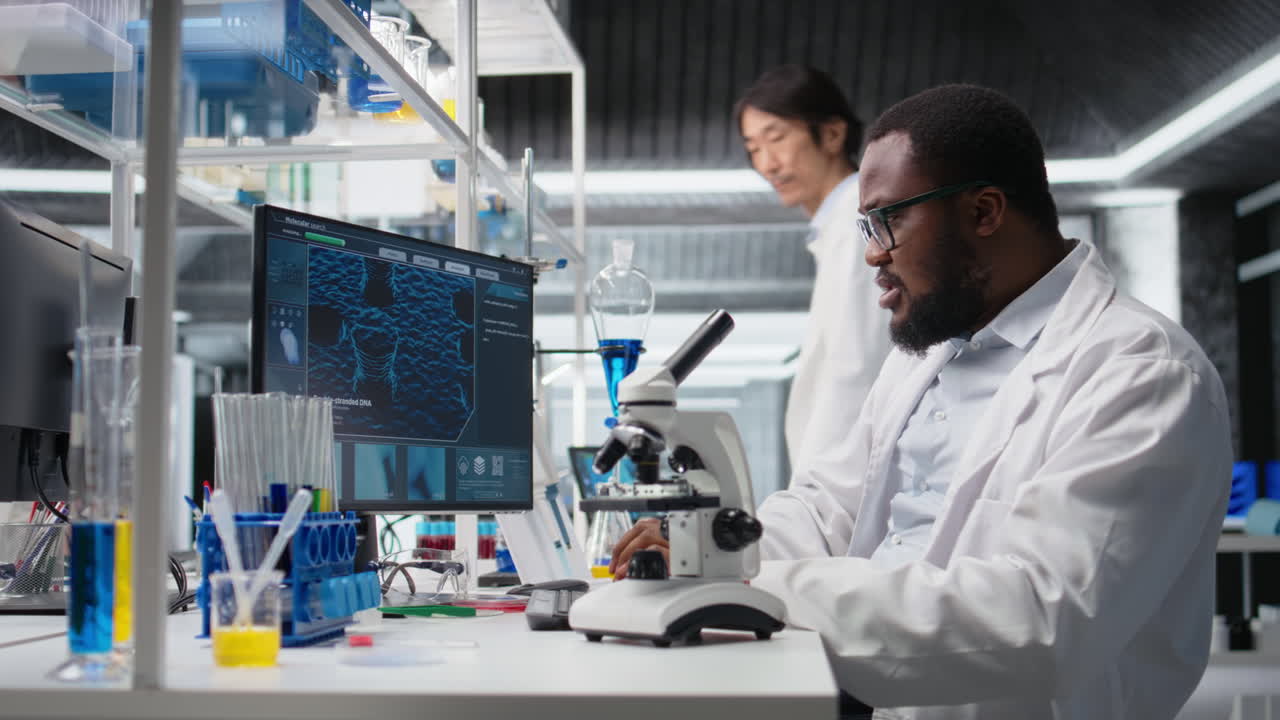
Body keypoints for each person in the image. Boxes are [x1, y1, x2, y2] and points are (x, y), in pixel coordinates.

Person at [611, 84, 1231, 720]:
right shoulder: (927, 353)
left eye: (889, 220)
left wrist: (747, 588)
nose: (873, 254)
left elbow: (1043, 617)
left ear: (984, 211)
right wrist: (704, 556)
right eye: (864, 227)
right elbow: (828, 510)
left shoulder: (1142, 372)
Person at [736, 65, 892, 482]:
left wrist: (813, 496)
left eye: (777, 138)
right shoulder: (838, 228)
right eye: (753, 147)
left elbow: (854, 371)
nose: (767, 163)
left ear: (833, 135)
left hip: (845, 485)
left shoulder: (858, 228)